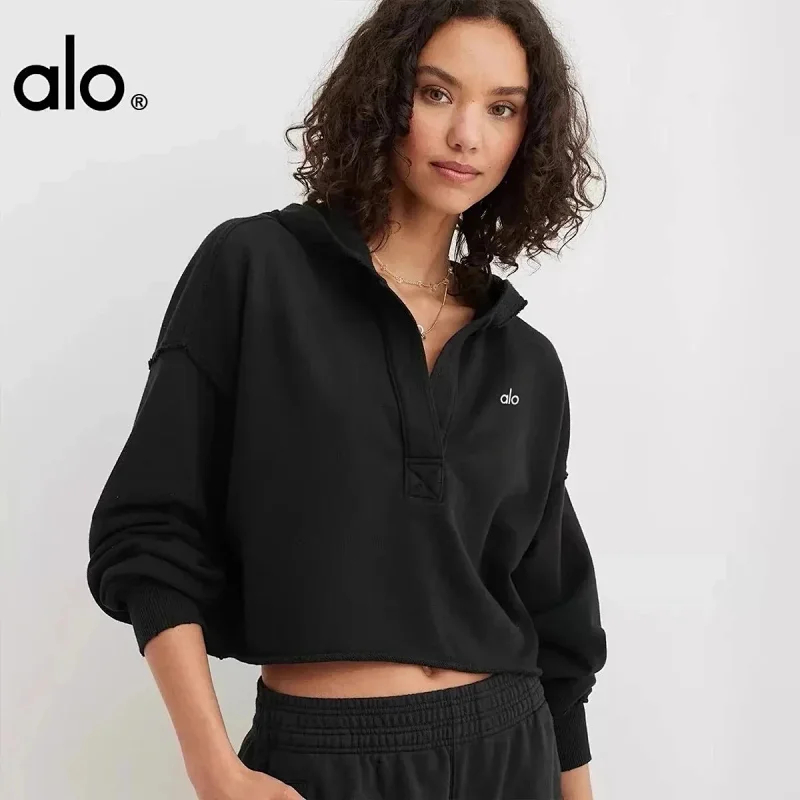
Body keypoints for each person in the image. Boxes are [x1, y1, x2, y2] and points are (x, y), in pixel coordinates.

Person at [86, 1, 608, 798]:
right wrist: (215, 770)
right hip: (323, 758)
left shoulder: (524, 359)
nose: (467, 134)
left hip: (510, 749)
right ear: (383, 95)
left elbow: (557, 619)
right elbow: (150, 531)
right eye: (436, 93)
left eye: (502, 108)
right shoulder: (256, 270)